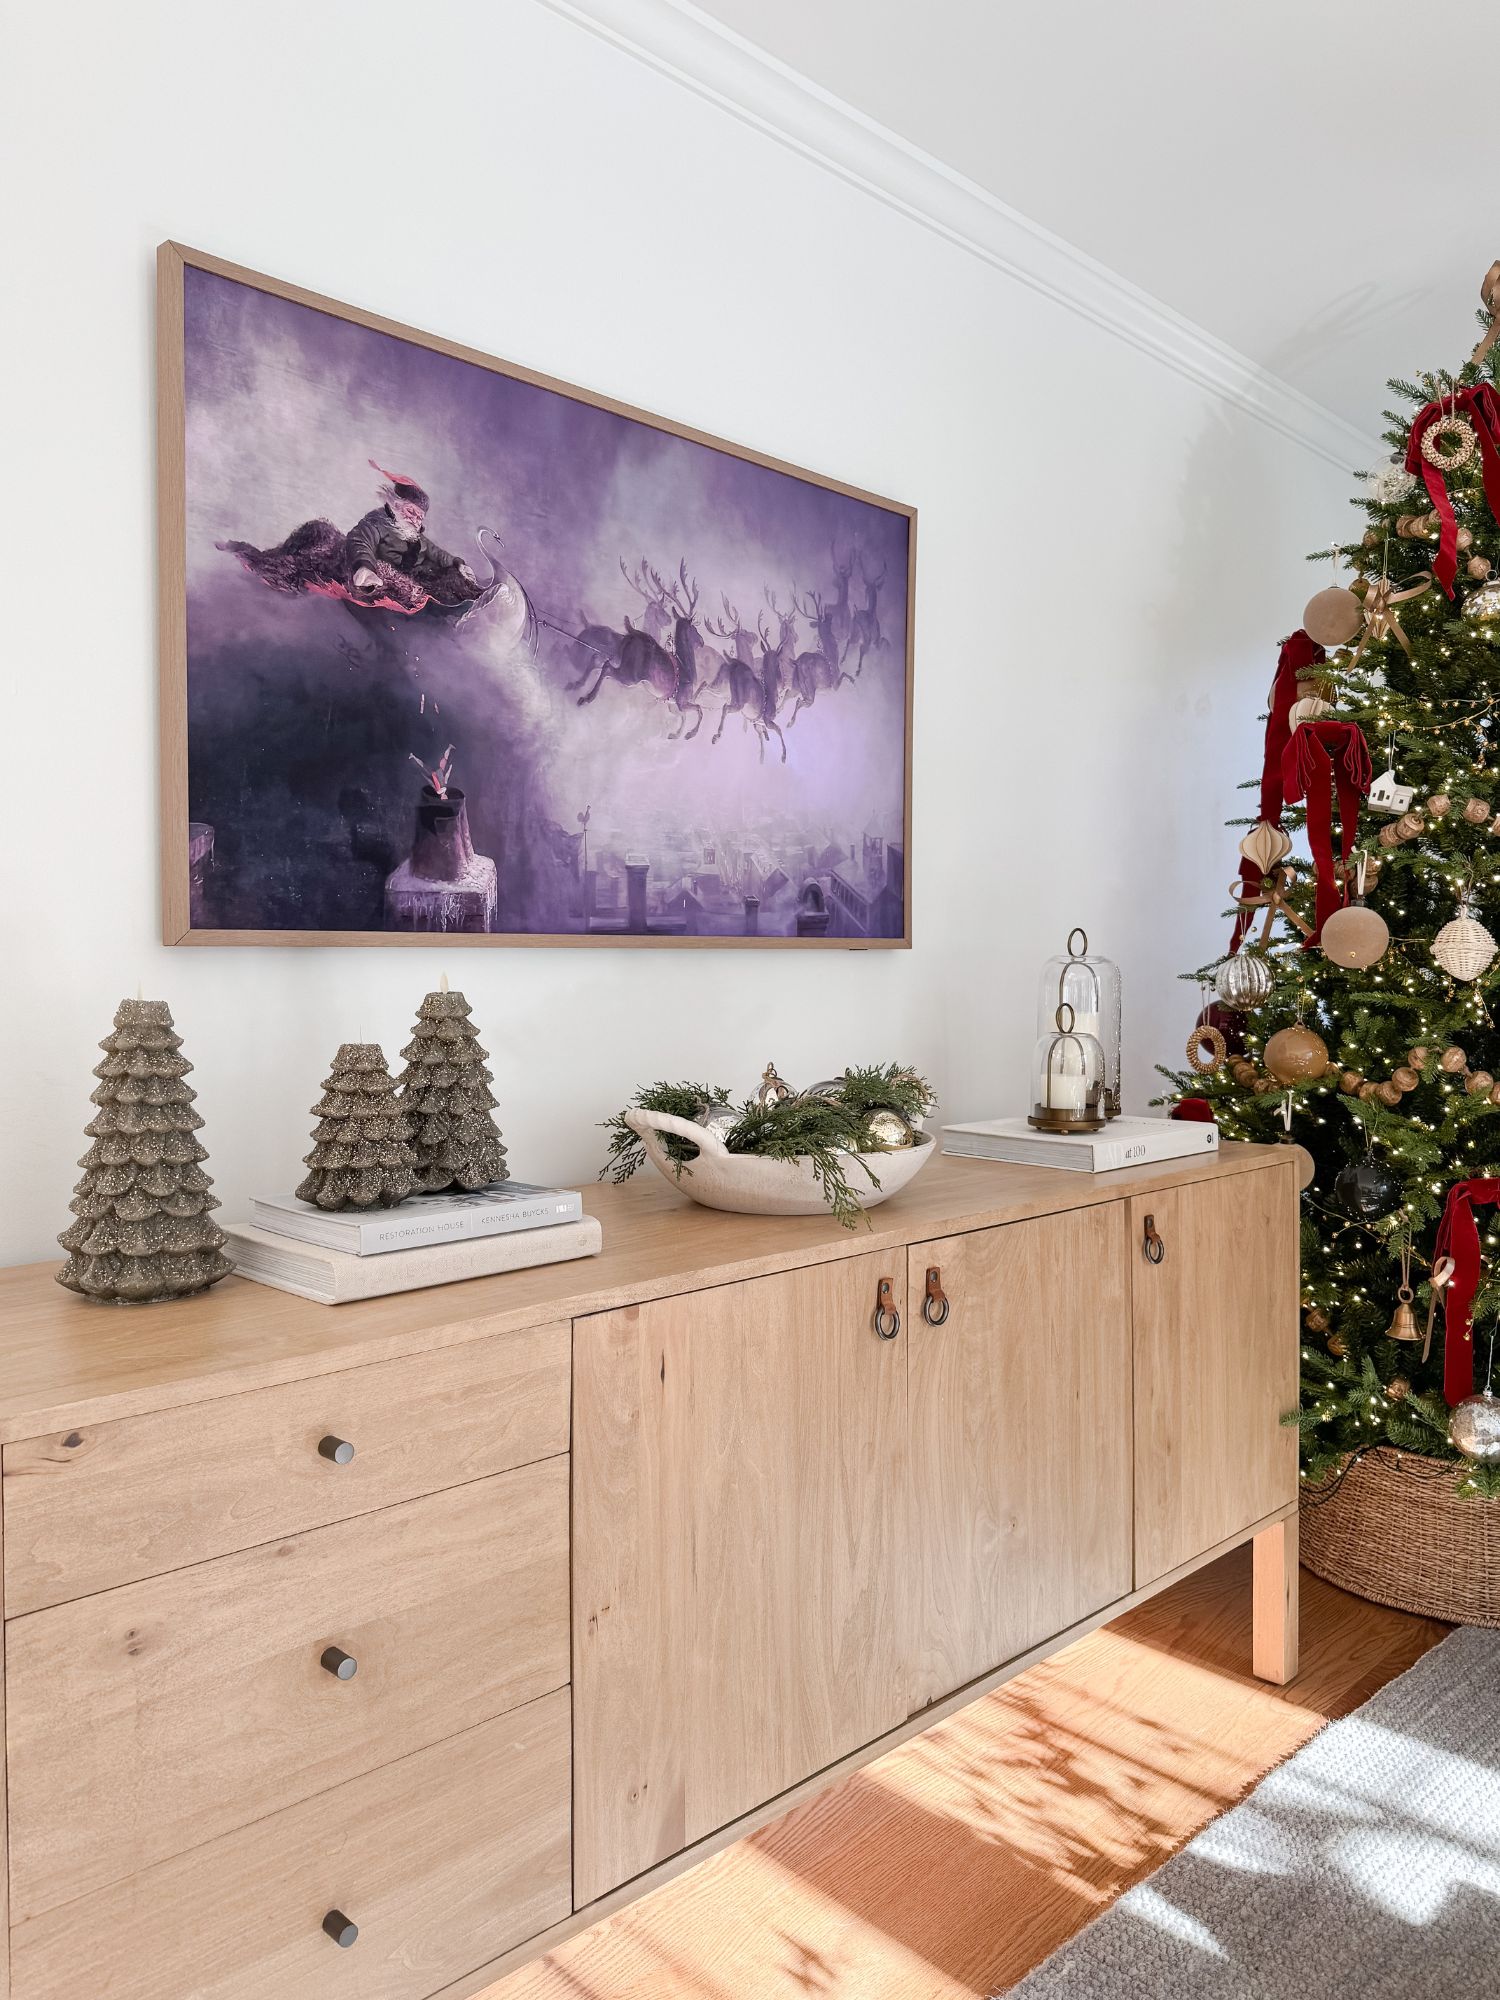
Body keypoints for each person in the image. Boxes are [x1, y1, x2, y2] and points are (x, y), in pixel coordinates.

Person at [346, 461, 475, 600]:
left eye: (420, 517)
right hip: (391, 578)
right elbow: (360, 541)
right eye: (411, 511)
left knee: (451, 580)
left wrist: (458, 563)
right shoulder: (377, 522)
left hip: (420, 574)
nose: (415, 520)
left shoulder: (414, 535)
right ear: (395, 504)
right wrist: (364, 567)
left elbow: (435, 552)